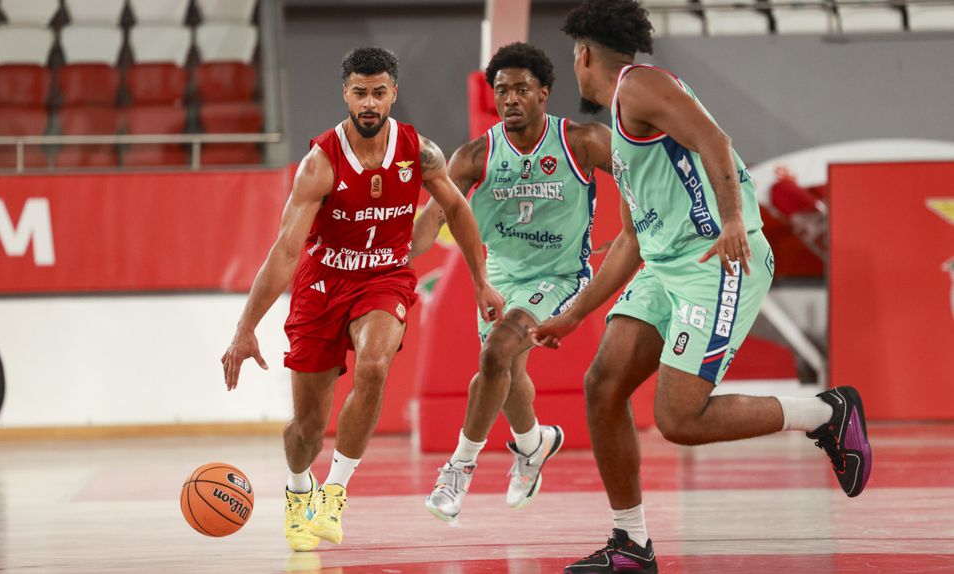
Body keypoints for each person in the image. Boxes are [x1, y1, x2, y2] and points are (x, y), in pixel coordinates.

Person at [531, 2, 873, 572]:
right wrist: (573, 314)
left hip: (717, 261)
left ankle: (825, 412)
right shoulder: (624, 123)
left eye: (573, 58)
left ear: (583, 54)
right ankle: (630, 543)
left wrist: (734, 218)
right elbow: (631, 241)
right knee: (602, 385)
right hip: (666, 265)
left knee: (679, 420)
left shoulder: (638, 86)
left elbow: (715, 140)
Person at [220, 47, 505, 552]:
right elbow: (285, 251)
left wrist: (480, 280)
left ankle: (335, 491)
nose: (369, 103)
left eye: (378, 92)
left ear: (393, 93)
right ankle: (299, 489)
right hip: (323, 285)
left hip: (384, 278)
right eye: (359, 93)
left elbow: (458, 210)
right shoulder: (320, 163)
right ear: (345, 95)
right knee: (307, 428)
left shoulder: (421, 152)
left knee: (374, 366)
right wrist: (245, 327)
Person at [411, 42, 612, 522]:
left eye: (522, 89)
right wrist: (389, 258)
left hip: (559, 276)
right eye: (502, 91)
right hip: (501, 277)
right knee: (509, 375)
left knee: (495, 354)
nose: (511, 99)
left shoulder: (581, 141)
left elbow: (643, 175)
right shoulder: (474, 156)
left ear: (544, 92)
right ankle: (533, 444)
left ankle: (458, 469)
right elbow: (431, 220)